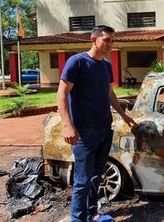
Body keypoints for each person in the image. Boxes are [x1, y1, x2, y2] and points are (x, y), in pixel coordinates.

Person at [57, 25, 137, 222]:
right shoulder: (77, 62)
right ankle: (77, 218)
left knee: (96, 176)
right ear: (93, 39)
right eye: (106, 40)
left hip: (104, 128)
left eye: (112, 41)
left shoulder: (106, 66)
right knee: (82, 180)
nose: (110, 44)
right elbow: (62, 93)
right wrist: (68, 125)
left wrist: (123, 115)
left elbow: (109, 93)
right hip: (84, 131)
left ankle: (92, 213)